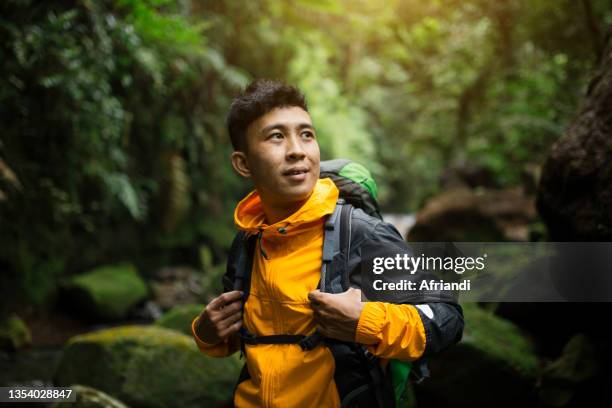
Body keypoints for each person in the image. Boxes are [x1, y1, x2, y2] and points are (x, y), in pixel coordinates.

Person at [191, 79, 464, 407]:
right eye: (277, 136)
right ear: (243, 164)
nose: (297, 150)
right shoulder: (248, 240)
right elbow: (256, 336)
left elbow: (446, 317)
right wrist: (207, 334)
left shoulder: (361, 235)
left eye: (306, 134)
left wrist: (365, 322)